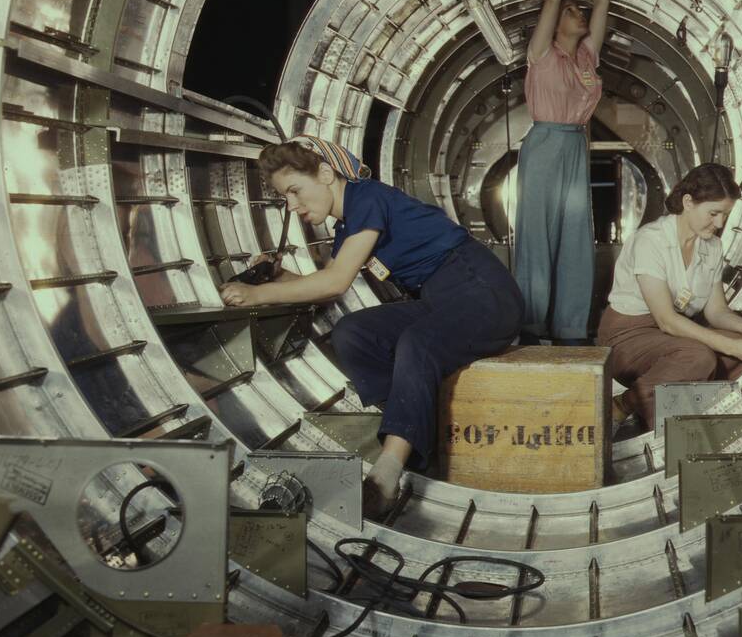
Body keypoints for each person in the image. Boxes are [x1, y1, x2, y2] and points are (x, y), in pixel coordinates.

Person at [220, 136, 525, 519]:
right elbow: (328, 285)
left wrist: (255, 295)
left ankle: (387, 473)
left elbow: (334, 282)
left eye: (295, 191)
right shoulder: (350, 228)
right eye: (286, 198)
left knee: (417, 342)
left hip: (484, 293)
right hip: (439, 300)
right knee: (353, 332)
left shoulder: (367, 197)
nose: (292, 206)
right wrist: (276, 277)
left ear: (327, 174)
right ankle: (412, 429)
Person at [596, 163, 742, 431]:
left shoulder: (712, 246)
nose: (720, 223)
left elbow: (716, 312)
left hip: (673, 337)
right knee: (699, 356)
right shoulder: (651, 240)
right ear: (688, 202)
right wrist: (730, 345)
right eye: (713, 213)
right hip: (627, 336)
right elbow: (666, 320)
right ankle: (623, 406)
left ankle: (701, 423)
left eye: (725, 215)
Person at [514, 0, 610, 345]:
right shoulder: (541, 53)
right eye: (572, 11)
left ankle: (570, 328)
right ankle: (530, 324)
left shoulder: (587, 57)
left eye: (579, 11)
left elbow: (602, 0)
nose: (580, 14)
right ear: (554, 24)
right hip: (544, 144)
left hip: (574, 145)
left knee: (576, 237)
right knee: (536, 235)